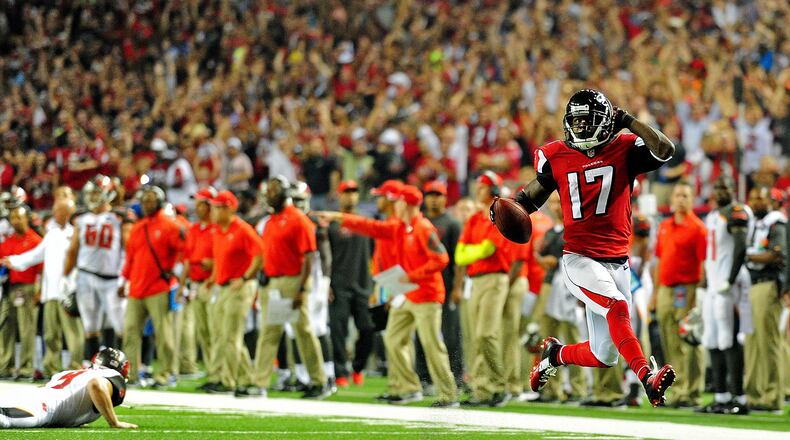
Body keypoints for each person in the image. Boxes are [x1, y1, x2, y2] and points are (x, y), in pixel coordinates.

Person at [514, 89, 677, 407]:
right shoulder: (556, 154)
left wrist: (629, 120)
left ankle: (554, 354)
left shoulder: (625, 147)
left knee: (604, 355)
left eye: (589, 122)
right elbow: (527, 200)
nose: (583, 128)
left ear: (606, 122)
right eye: (577, 122)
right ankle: (647, 378)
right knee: (617, 308)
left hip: (619, 261)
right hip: (579, 258)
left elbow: (665, 148)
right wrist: (506, 210)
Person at [317, 185, 459, 407]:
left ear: (408, 204)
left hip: (427, 296)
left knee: (432, 345)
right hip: (407, 295)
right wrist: (337, 216)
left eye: (399, 202)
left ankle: (449, 394)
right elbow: (369, 226)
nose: (396, 206)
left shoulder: (423, 228)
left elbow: (441, 258)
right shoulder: (401, 228)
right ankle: (409, 387)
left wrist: (412, 276)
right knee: (393, 338)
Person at [254, 176, 330, 399]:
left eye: (274, 190)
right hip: (272, 283)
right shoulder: (270, 221)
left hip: (292, 281)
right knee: (269, 333)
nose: (269, 194)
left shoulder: (298, 220)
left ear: (285, 193)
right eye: (269, 190)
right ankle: (258, 383)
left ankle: (319, 381)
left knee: (304, 332)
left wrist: (303, 289)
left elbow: (309, 257)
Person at [3, 199, 84, 377]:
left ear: (66, 213)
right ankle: (52, 370)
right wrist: (15, 261)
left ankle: (76, 368)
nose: (54, 214)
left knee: (73, 333)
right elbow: (36, 255)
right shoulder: (52, 234)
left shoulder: (76, 234)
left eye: (57, 210)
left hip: (69, 292)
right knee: (50, 334)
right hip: (50, 292)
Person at [455, 171, 512, 407]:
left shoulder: (498, 215)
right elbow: (460, 255)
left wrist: (472, 251)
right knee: (477, 335)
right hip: (475, 280)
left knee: (485, 334)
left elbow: (489, 249)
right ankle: (484, 389)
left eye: (482, 187)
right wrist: (474, 251)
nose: (477, 191)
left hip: (495, 278)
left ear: (493, 190)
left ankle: (496, 385)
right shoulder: (474, 219)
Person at [697, 176, 752, 415]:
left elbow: (740, 248)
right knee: (711, 338)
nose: (720, 191)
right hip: (713, 286)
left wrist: (729, 279)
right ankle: (721, 396)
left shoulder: (737, 211)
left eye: (725, 187)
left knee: (728, 339)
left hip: (727, 287)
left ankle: (739, 397)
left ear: (734, 188)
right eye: (717, 186)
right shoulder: (712, 215)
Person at [120, 185, 183, 388]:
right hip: (137, 288)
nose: (146, 204)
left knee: (164, 333)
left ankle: (166, 373)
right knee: (130, 331)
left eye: (150, 200)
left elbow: (183, 251)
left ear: (159, 203)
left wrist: (176, 273)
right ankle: (132, 375)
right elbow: (130, 258)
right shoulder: (138, 227)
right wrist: (124, 281)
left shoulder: (170, 225)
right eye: (144, 200)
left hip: (158, 287)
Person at [653, 182, 707, 407]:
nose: (681, 199)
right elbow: (659, 260)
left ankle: (692, 391)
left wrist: (698, 298)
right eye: (677, 195)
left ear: (692, 200)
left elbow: (703, 264)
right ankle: (678, 390)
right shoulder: (664, 226)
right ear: (672, 199)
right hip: (666, 289)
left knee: (689, 341)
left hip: (688, 289)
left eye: (685, 195)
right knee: (670, 339)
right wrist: (654, 294)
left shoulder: (698, 228)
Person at [206, 190, 263, 397]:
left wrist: (246, 278)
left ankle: (231, 381)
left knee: (232, 335)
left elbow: (261, 253)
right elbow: (221, 260)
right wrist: (213, 279)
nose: (211, 210)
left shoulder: (242, 229)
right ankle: (243, 378)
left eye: (216, 206)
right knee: (223, 335)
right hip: (223, 287)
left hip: (239, 286)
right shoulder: (218, 230)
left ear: (228, 208)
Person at [531, 192, 587, 403]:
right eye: (553, 201)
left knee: (571, 337)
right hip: (549, 286)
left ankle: (577, 387)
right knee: (548, 339)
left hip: (568, 286)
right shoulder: (548, 233)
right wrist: (541, 259)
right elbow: (543, 258)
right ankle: (551, 389)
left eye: (559, 201)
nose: (556, 206)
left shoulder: (574, 230)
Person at [64, 175, 127, 358]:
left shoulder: (119, 217)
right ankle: (89, 365)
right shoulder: (81, 218)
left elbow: (127, 249)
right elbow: (72, 251)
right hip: (86, 275)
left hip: (112, 278)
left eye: (96, 193)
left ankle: (119, 363)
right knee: (90, 326)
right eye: (90, 193)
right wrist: (65, 277)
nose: (92, 197)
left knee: (118, 325)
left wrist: (125, 276)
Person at [0, 347, 136, 429]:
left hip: (32, 396)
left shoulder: (74, 373)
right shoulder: (112, 375)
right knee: (4, 420)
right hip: (43, 408)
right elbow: (96, 385)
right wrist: (114, 422)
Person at [326, 180, 375, 388]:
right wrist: (326, 283)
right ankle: (340, 372)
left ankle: (358, 366)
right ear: (339, 195)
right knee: (338, 331)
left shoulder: (367, 222)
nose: (351, 196)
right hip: (338, 286)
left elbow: (375, 254)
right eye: (347, 192)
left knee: (368, 328)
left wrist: (376, 282)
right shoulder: (332, 224)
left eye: (354, 192)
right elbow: (324, 256)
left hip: (363, 284)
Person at [415, 180, 464, 389]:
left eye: (438, 195)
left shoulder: (452, 223)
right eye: (430, 194)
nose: (434, 199)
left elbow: (458, 259)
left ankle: (457, 375)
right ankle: (424, 377)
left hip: (445, 285)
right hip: (422, 286)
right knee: (422, 334)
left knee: (451, 334)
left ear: (445, 198)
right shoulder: (420, 221)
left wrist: (457, 287)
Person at [744, 186, 787, 411]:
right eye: (752, 198)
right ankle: (754, 394)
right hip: (750, 284)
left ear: (772, 202)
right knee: (751, 342)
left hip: (766, 284)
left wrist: (746, 255)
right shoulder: (756, 223)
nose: (755, 202)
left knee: (768, 343)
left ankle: (772, 396)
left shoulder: (776, 223)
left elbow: (777, 254)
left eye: (760, 198)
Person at [181, 188, 218, 391]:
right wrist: (182, 284)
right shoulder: (194, 229)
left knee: (215, 331)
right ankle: (213, 373)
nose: (197, 207)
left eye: (201, 203)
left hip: (211, 284)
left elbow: (223, 259)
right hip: (196, 283)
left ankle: (220, 374)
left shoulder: (218, 228)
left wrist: (212, 266)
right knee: (203, 332)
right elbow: (187, 259)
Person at [0, 205, 43, 379]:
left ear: (27, 219)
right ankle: (5, 365)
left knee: (26, 328)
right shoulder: (8, 241)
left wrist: (39, 292)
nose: (15, 220)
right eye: (13, 217)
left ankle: (26, 368)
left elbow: (42, 270)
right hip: (10, 287)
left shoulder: (36, 240)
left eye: (19, 217)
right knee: (5, 327)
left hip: (28, 287)